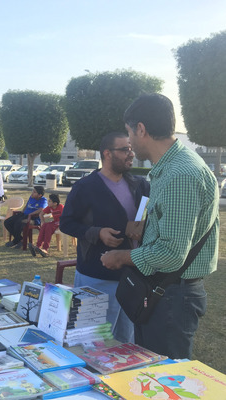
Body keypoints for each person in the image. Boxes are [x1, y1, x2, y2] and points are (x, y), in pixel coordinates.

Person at [100, 94, 219, 358]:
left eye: (129, 132)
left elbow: (171, 253)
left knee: (163, 376)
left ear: (141, 129)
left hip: (172, 296)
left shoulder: (180, 174)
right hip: (166, 290)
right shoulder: (170, 167)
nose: (130, 143)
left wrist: (122, 257)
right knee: (148, 368)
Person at [59, 132, 149, 343]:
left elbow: (151, 215)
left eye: (131, 149)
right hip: (96, 277)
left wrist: (145, 227)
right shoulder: (85, 187)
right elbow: (66, 223)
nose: (131, 154)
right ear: (107, 153)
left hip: (132, 277)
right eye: (125, 149)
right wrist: (97, 232)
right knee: (92, 343)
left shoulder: (140, 185)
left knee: (126, 343)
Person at [28, 193, 64, 257]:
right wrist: (42, 221)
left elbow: (65, 216)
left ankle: (45, 249)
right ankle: (38, 246)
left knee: (48, 227)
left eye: (49, 201)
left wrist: (61, 225)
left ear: (55, 203)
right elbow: (41, 214)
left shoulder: (61, 207)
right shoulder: (49, 207)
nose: (48, 202)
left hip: (62, 223)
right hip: (55, 222)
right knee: (44, 226)